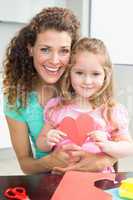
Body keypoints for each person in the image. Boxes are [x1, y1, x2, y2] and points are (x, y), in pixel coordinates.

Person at [3, 7, 116, 175]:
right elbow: (25, 164)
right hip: (49, 180)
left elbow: (118, 140)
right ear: (30, 49)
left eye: (64, 50)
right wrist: (51, 161)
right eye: (45, 49)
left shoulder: (84, 85)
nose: (55, 61)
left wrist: (100, 161)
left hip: (94, 178)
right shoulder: (16, 99)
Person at [36, 37, 133, 172]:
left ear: (106, 75)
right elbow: (40, 143)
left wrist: (108, 145)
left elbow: (128, 148)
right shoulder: (57, 107)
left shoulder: (111, 111)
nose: (87, 81)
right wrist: (48, 140)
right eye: (79, 73)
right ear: (69, 73)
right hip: (62, 178)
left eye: (95, 74)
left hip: (99, 181)